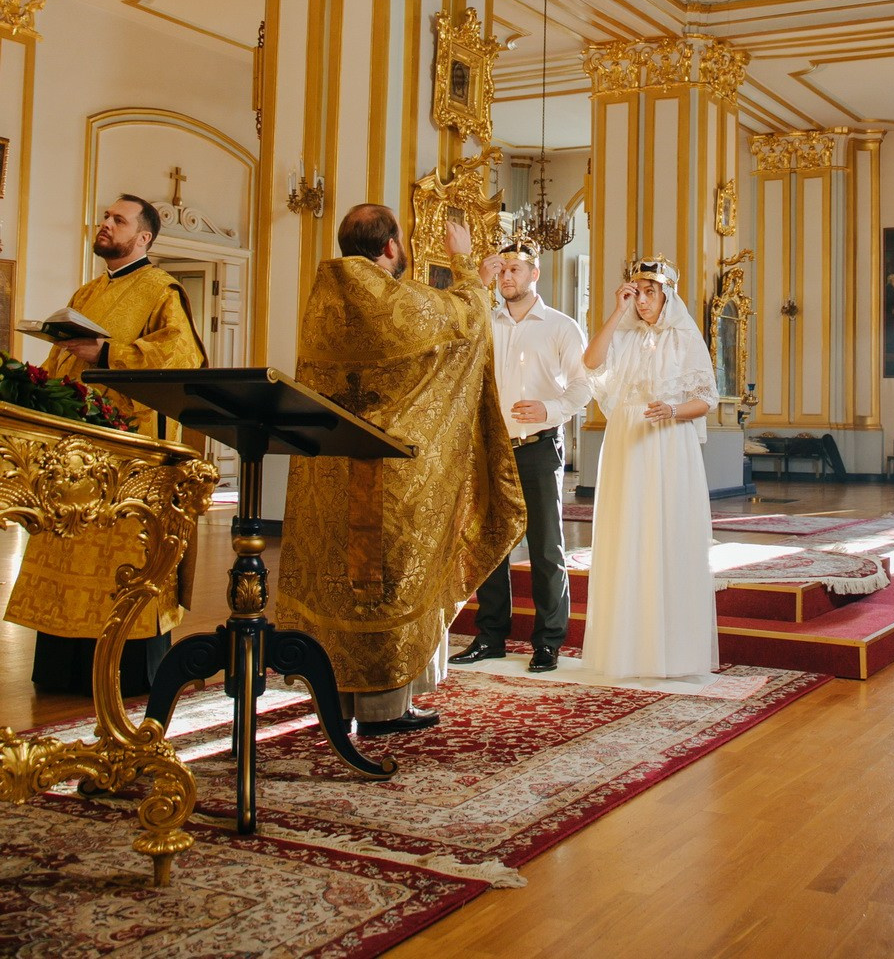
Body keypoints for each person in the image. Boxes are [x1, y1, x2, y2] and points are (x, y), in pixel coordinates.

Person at [275, 204, 524, 737]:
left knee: (340, 582)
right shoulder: (390, 300)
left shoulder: (324, 298)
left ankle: (334, 698)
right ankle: (386, 709)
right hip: (386, 475)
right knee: (383, 586)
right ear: (390, 247)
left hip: (331, 471)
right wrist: (466, 269)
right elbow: (465, 323)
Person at [6, 193, 208, 693]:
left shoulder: (162, 289)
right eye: (105, 217)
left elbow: (181, 356)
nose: (106, 224)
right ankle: (60, 669)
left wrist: (109, 352)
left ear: (143, 238)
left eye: (118, 220)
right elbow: (63, 363)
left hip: (128, 453)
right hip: (75, 450)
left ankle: (131, 673)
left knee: (124, 561)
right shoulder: (86, 293)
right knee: (66, 547)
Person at [451, 236, 591, 674]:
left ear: (535, 274)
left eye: (516, 269)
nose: (507, 276)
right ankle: (491, 636)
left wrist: (549, 409)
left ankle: (548, 641)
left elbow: (585, 387)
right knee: (492, 542)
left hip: (538, 446)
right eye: (502, 269)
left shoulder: (562, 327)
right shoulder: (483, 321)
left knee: (546, 546)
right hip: (492, 447)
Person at [580, 255, 718, 679]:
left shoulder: (684, 336)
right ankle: (626, 649)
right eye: (637, 291)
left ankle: (672, 651)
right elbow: (590, 362)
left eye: (650, 291)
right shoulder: (622, 334)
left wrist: (675, 410)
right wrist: (617, 310)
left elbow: (707, 398)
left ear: (667, 294)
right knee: (627, 533)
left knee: (667, 532)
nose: (642, 299)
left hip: (668, 441)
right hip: (627, 440)